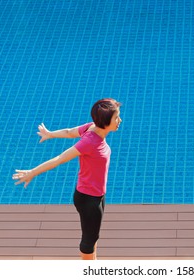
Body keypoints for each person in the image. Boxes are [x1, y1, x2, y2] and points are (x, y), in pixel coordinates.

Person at [12, 98, 122, 260]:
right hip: (88, 199)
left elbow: (69, 132)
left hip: (98, 195)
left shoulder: (92, 127)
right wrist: (32, 172)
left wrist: (50, 134)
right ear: (105, 122)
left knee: (93, 236)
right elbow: (59, 159)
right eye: (116, 118)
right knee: (88, 242)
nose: (120, 120)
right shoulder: (90, 142)